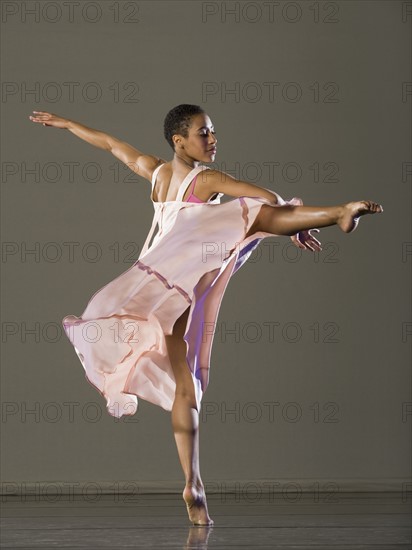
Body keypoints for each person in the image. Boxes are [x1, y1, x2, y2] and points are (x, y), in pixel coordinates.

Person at [29, 104, 383, 526]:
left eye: (212, 132)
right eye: (203, 133)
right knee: (253, 215)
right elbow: (266, 199)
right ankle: (336, 212)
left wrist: (68, 124)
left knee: (187, 387)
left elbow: (110, 145)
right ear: (180, 140)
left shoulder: (156, 172)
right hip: (179, 276)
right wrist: (296, 223)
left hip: (155, 285)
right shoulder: (207, 180)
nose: (212, 140)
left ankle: (193, 485)